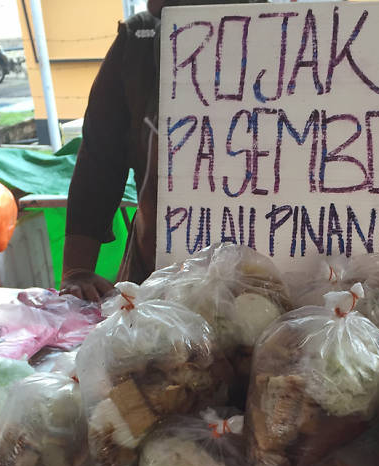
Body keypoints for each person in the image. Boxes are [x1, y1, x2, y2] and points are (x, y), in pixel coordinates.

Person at [60, 0, 260, 301]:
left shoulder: (296, 35)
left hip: (273, 292)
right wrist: (77, 270)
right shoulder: (138, 45)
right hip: (156, 287)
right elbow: (99, 162)